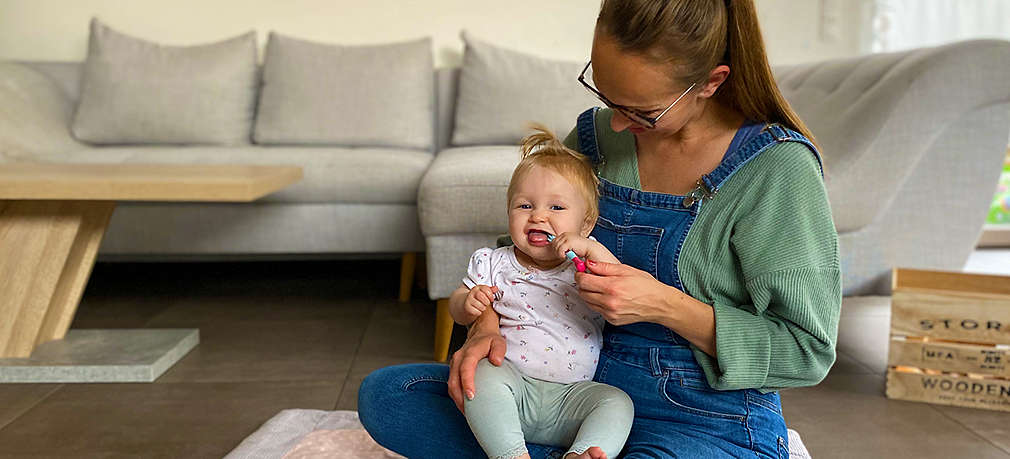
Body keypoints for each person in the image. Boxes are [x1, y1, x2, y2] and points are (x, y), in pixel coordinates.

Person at [358, 0, 841, 457]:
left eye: (641, 112)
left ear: (711, 82)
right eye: (607, 97)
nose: (614, 127)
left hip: (697, 411)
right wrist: (486, 324)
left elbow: (805, 352)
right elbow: (522, 258)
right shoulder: (592, 136)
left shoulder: (777, 169)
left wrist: (662, 303)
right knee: (389, 395)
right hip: (567, 396)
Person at [450, 125, 633, 459]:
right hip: (511, 386)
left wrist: (587, 250)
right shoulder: (493, 262)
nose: (538, 216)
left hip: (571, 399)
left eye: (557, 209)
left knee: (617, 403)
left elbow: (616, 283)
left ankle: (580, 454)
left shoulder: (585, 263)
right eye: (524, 206)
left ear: (586, 223)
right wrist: (468, 303)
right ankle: (510, 453)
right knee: (480, 375)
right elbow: (457, 306)